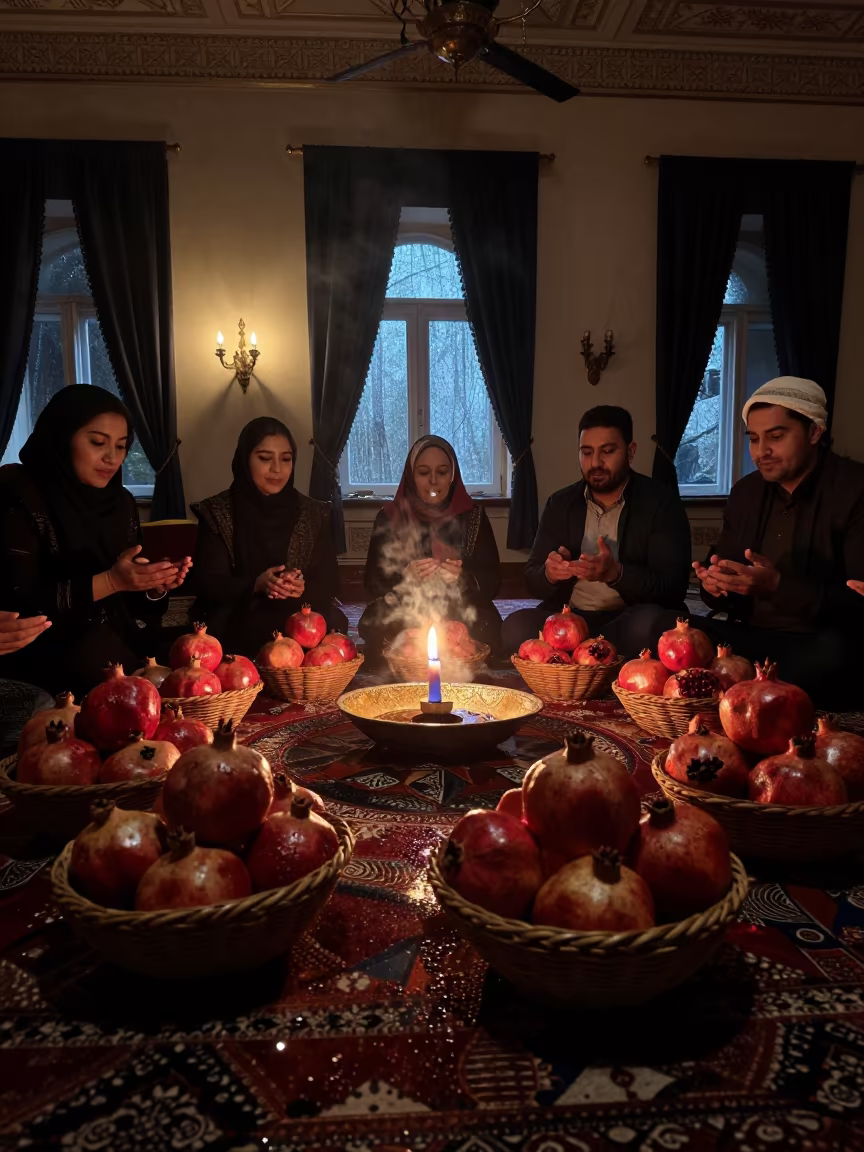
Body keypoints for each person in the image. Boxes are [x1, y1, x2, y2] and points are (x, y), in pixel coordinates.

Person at [0, 385, 190, 696]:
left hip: (108, 640)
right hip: (40, 652)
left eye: (121, 445)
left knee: (183, 664)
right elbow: (22, 607)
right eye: (97, 442)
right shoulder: (16, 493)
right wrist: (112, 581)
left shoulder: (120, 502)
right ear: (61, 437)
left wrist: (152, 586)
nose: (112, 458)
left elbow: (131, 608)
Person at [693, 377, 864, 705]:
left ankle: (751, 689)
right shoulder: (745, 493)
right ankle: (754, 685)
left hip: (820, 643)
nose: (761, 452)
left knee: (839, 657)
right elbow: (724, 591)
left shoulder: (855, 490)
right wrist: (715, 587)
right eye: (754, 439)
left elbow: (857, 605)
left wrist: (777, 586)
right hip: (751, 639)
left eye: (776, 436)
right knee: (661, 624)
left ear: (814, 432)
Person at [502, 406, 692, 657]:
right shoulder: (560, 503)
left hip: (629, 617)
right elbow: (532, 577)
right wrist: (549, 574)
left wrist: (616, 574)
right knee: (514, 628)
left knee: (650, 626)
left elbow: (673, 588)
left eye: (608, 451)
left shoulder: (661, 504)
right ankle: (593, 653)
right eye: (587, 452)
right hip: (571, 620)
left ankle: (584, 656)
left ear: (631, 452)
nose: (595, 463)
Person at [191, 417, 348, 657]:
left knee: (335, 622)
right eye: (265, 458)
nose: (277, 469)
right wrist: (257, 584)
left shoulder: (311, 512)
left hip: (298, 611)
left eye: (286, 459)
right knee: (235, 629)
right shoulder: (217, 512)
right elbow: (208, 583)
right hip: (241, 611)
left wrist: (300, 587)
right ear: (245, 460)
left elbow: (329, 582)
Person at [358, 435, 502, 660]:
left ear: (452, 476)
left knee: (490, 626)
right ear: (411, 476)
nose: (433, 480)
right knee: (370, 624)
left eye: (442, 472)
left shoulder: (473, 517)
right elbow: (373, 584)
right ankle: (438, 649)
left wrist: (461, 579)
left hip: (459, 609)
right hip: (408, 609)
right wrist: (406, 580)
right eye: (424, 473)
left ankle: (436, 648)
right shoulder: (389, 517)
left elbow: (492, 581)